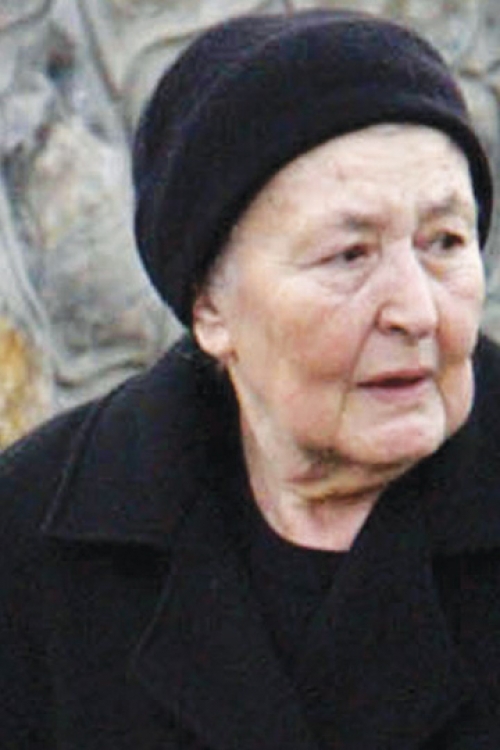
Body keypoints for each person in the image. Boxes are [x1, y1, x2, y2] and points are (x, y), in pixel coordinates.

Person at [1, 8, 499, 749]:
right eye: (350, 255)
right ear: (210, 307)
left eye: (445, 243)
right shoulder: (35, 538)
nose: (417, 311)